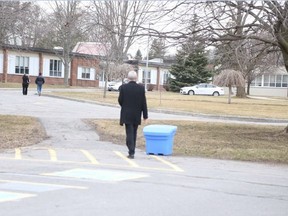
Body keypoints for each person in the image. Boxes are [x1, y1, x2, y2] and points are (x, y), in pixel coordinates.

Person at [118, 71, 148, 159]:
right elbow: (143, 103)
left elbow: (120, 100)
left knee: (129, 132)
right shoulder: (141, 88)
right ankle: (132, 150)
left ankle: (131, 151)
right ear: (136, 78)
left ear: (128, 78)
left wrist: (125, 106)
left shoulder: (123, 88)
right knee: (134, 132)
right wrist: (145, 115)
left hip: (127, 113)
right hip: (136, 114)